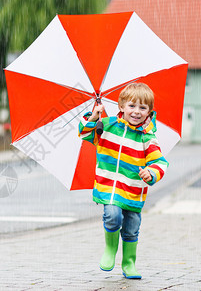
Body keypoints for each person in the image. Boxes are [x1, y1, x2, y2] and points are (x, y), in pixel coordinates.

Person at [78, 82, 168, 279]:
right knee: (112, 215)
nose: (136, 112)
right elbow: (85, 133)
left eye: (142, 108)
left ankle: (128, 263)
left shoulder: (147, 137)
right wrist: (94, 118)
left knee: (131, 228)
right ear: (121, 106)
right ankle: (110, 250)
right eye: (132, 106)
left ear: (149, 112)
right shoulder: (108, 125)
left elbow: (160, 162)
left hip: (134, 190)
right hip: (109, 187)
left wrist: (151, 172)